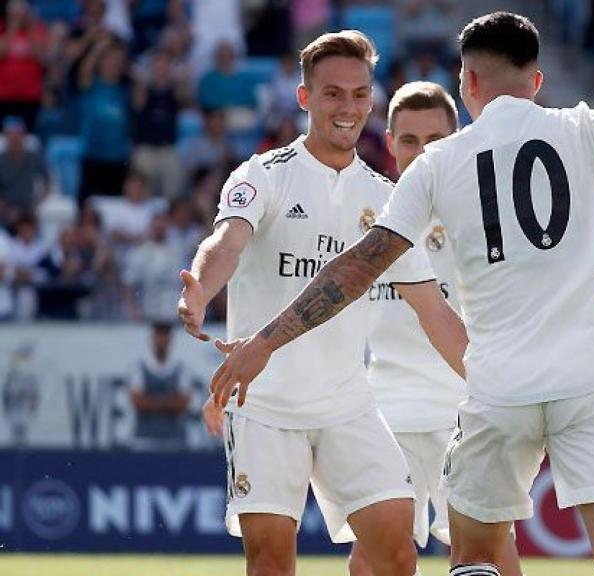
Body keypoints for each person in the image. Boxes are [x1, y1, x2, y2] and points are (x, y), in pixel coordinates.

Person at [208, 12, 594, 576]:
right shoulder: (588, 127)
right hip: (589, 377)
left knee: (475, 555)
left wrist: (265, 340)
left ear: (467, 81)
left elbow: (358, 266)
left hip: (498, 388)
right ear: (538, 81)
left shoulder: (440, 161)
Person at [177, 31, 467, 576]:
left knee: (397, 554)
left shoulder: (385, 199)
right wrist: (200, 285)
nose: (349, 107)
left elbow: (434, 313)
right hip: (262, 404)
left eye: (360, 94)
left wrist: (497, 387)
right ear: (305, 97)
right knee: (271, 563)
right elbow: (227, 243)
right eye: (333, 93)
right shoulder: (263, 174)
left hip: (348, 405)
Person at [345, 82, 522, 576]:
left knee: (490, 554)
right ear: (389, 142)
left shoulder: (488, 214)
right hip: (384, 411)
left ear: (457, 136)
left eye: (434, 139)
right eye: (408, 140)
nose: (421, 152)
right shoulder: (367, 215)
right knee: (376, 556)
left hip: (464, 412)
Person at [129, 322, 190, 451]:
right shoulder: (139, 367)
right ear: (152, 338)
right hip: (144, 440)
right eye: (159, 335)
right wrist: (169, 401)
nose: (162, 340)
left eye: (165, 335)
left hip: (174, 440)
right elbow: (138, 402)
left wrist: (151, 401)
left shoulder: (180, 368)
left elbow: (183, 403)